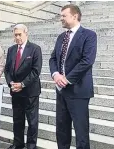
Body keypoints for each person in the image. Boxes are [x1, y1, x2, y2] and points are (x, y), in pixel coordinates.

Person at [49, 4, 97, 149]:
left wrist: (66, 79)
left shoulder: (89, 35)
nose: (61, 19)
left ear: (75, 16)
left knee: (81, 133)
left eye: (64, 15)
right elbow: (53, 59)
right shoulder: (61, 37)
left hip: (78, 91)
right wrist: (56, 74)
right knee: (62, 130)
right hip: (61, 91)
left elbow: (87, 61)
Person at [4, 24, 43, 149]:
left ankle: (31, 146)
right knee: (17, 119)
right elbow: (7, 69)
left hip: (30, 91)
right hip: (15, 91)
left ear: (26, 33)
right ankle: (18, 144)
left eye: (20, 34)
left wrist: (22, 84)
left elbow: (36, 71)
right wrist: (11, 83)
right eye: (15, 35)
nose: (17, 37)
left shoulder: (35, 49)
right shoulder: (11, 49)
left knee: (32, 121)